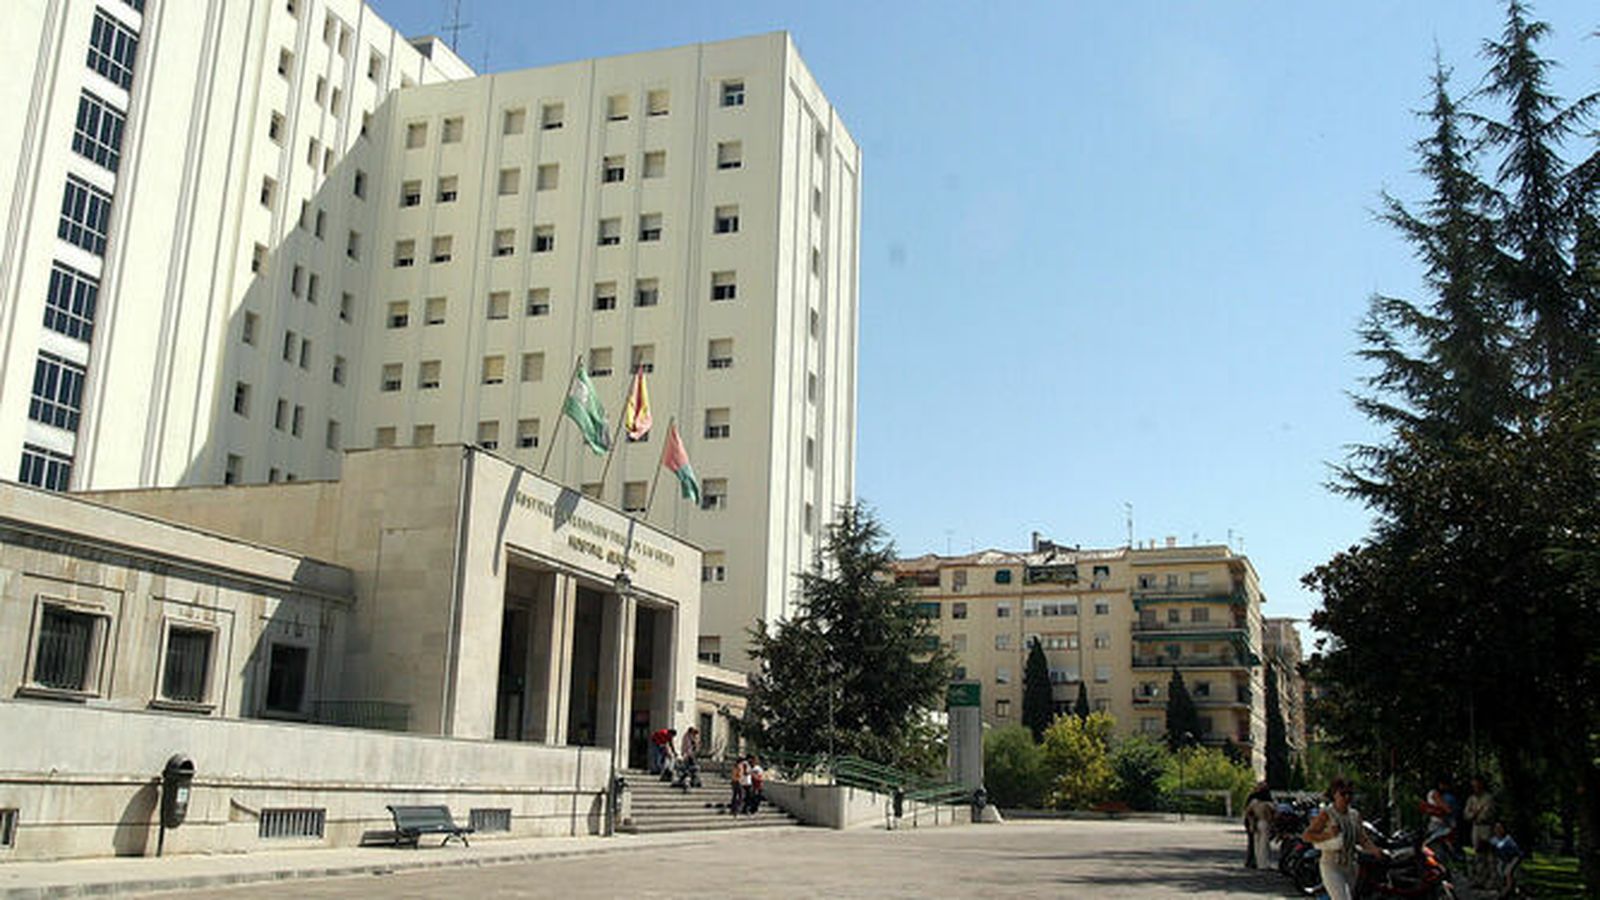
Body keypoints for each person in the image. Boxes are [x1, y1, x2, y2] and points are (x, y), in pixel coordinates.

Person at [1302, 779, 1387, 900]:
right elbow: (1306, 836)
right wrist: (1328, 835)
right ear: (1334, 794)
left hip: (1351, 866)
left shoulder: (1354, 815)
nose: (1347, 797)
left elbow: (1362, 839)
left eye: (1350, 793)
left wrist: (1375, 851)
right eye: (1343, 793)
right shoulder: (1327, 813)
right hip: (1331, 865)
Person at [1464, 777, 1496, 887]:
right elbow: (1466, 815)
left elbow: (1486, 814)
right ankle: (1480, 879)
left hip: (1486, 828)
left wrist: (1475, 814)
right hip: (1475, 828)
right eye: (1473, 786)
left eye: (1477, 785)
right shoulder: (1471, 799)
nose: (1475, 788)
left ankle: (1492, 880)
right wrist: (1475, 813)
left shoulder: (1488, 798)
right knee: (1478, 854)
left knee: (1489, 854)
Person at [1244, 782, 1275, 869]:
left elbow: (1248, 812)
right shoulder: (1268, 803)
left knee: (1256, 843)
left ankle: (1258, 862)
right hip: (1265, 822)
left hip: (1257, 822)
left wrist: (1251, 823)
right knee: (1264, 844)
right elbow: (1272, 815)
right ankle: (1264, 863)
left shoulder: (1254, 801)